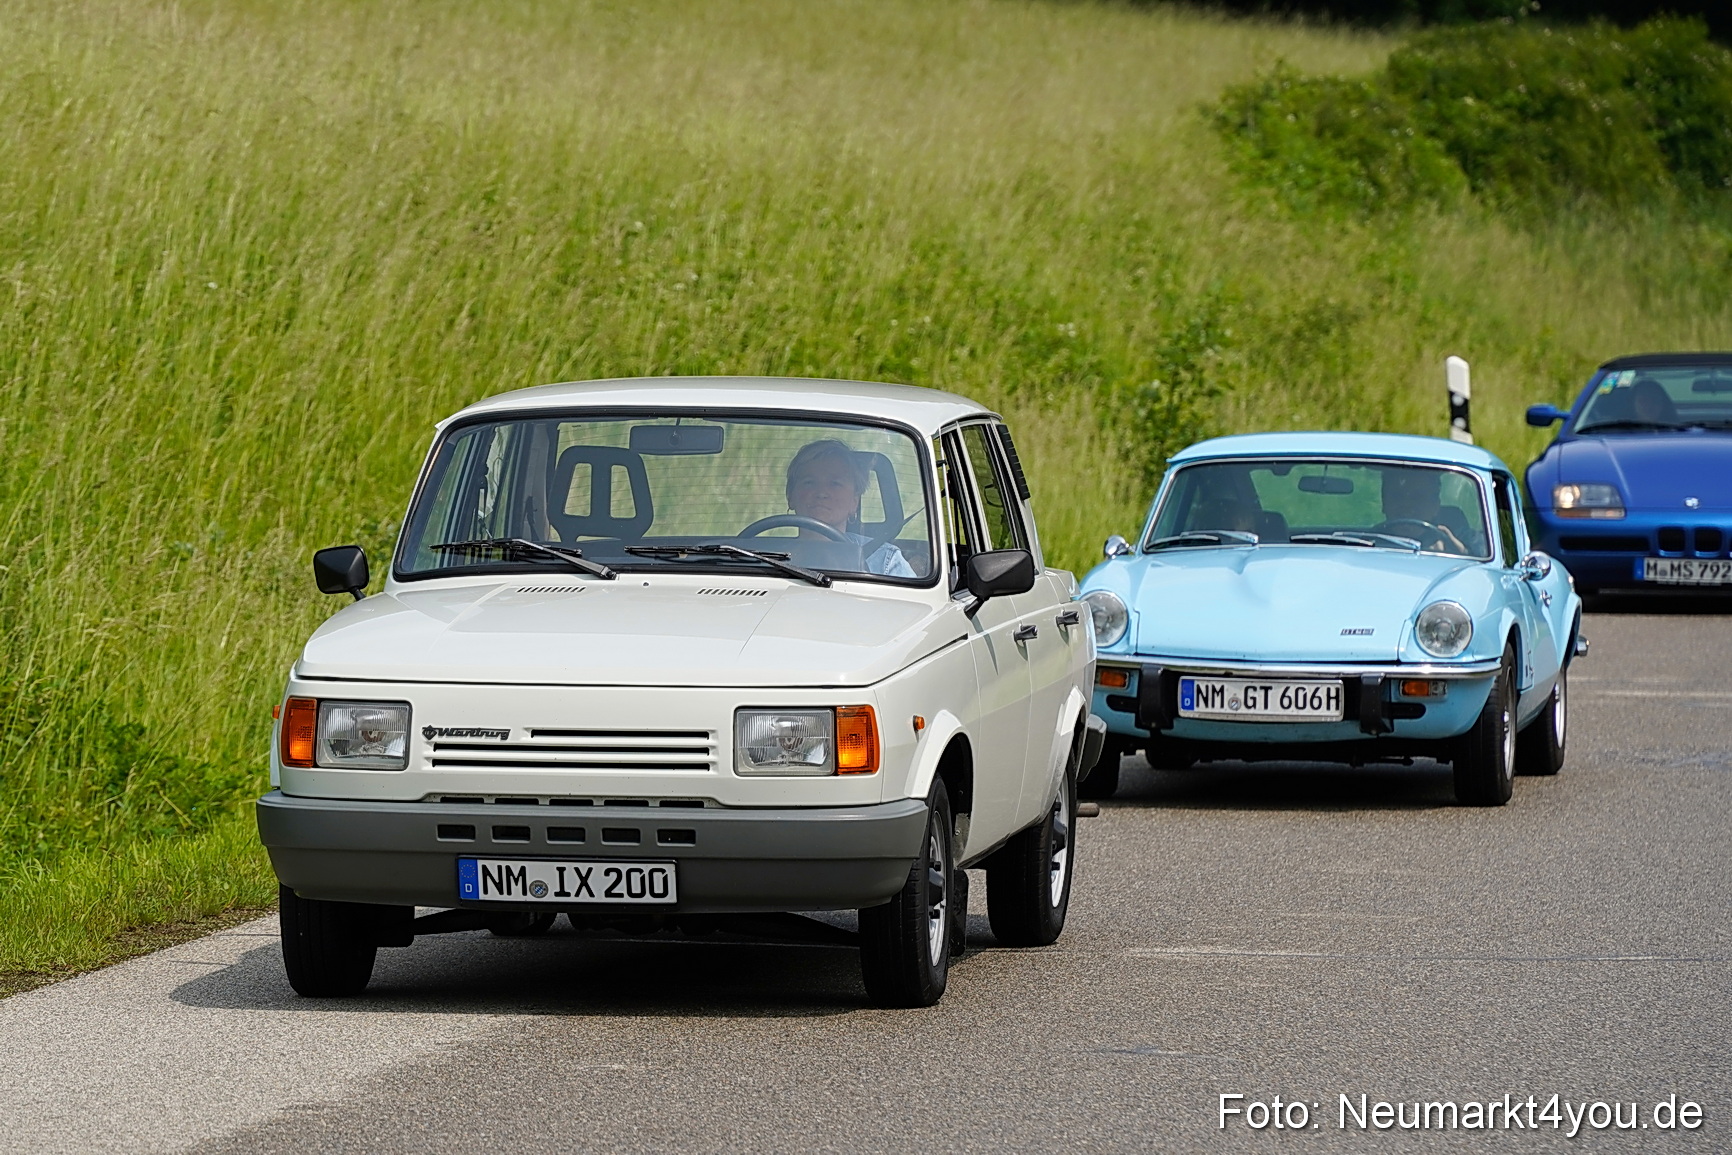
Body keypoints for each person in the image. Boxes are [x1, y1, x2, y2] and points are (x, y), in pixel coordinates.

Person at [785, 440, 916, 577]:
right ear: (790, 496)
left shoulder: (885, 562)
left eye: (834, 484)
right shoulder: (764, 556)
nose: (821, 493)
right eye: (809, 482)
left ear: (855, 501)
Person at [1379, 468, 1471, 554]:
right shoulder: (1369, 540)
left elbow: (1479, 555)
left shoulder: (1461, 537)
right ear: (1384, 502)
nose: (1406, 505)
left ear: (1435, 506)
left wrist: (1459, 551)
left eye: (1418, 498)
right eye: (1397, 496)